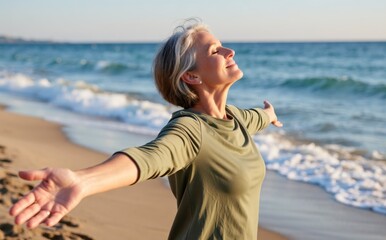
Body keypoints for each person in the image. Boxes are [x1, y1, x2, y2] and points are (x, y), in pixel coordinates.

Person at [9, 19, 282, 239]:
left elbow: (256, 117)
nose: (228, 52)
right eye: (214, 50)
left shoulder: (235, 118)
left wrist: (269, 114)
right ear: (191, 76)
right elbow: (149, 157)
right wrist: (83, 181)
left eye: (222, 46)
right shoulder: (190, 131)